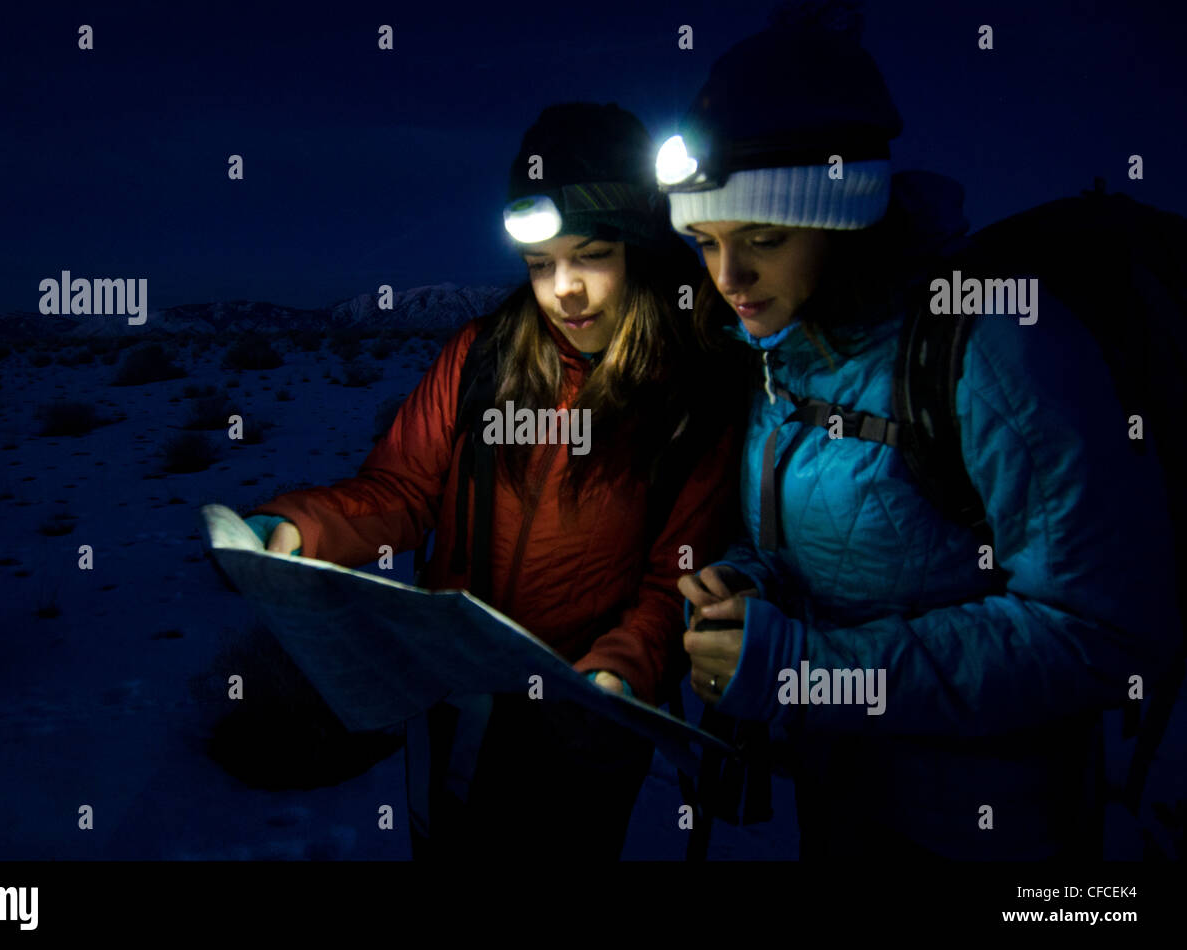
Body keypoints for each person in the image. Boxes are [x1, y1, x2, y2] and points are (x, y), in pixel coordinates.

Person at [662, 10, 1182, 859]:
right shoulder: (785, 349)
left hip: (997, 825)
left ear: (845, 219)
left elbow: (1105, 633)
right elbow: (861, 552)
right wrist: (756, 587)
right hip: (845, 801)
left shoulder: (996, 347)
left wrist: (804, 672)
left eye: (764, 238)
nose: (729, 278)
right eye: (705, 241)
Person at [242, 102, 744, 858]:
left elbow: (676, 579)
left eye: (591, 255)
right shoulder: (482, 355)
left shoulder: (689, 398)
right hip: (453, 692)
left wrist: (617, 674)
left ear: (639, 250)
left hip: (588, 719)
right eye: (541, 265)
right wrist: (301, 528)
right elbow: (402, 490)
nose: (562, 290)